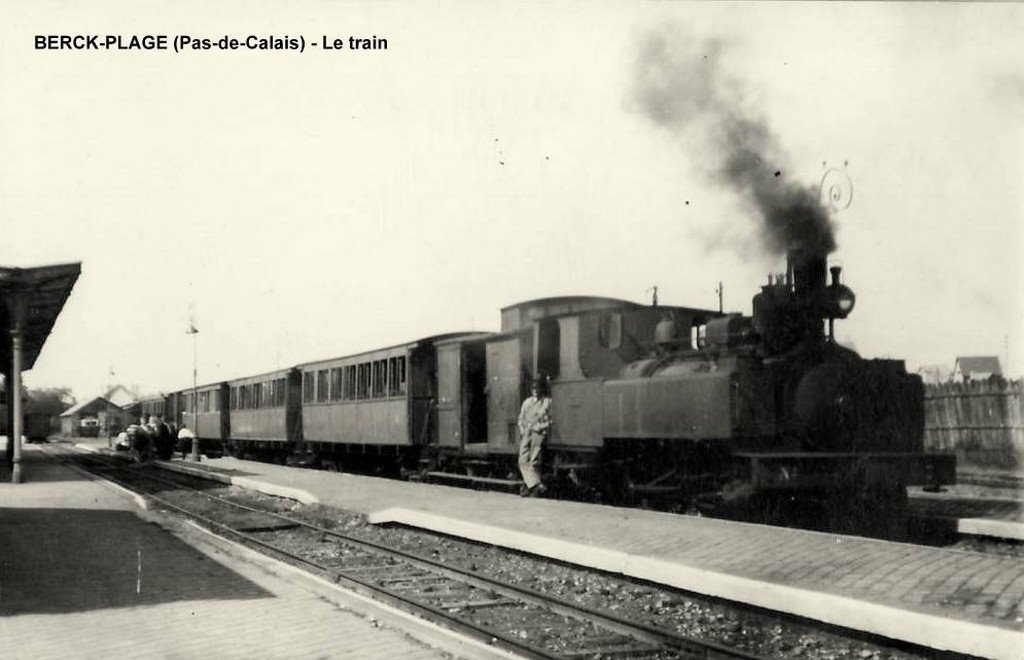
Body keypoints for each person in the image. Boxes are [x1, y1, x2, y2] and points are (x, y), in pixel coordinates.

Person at [517, 378, 551, 497]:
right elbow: (521, 418)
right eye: (533, 389)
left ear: (542, 389)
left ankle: (532, 488)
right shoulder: (527, 402)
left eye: (538, 389)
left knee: (534, 461)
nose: (535, 391)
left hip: (539, 433)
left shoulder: (547, 402)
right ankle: (537, 485)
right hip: (527, 432)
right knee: (522, 459)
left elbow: (551, 420)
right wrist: (522, 428)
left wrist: (540, 426)